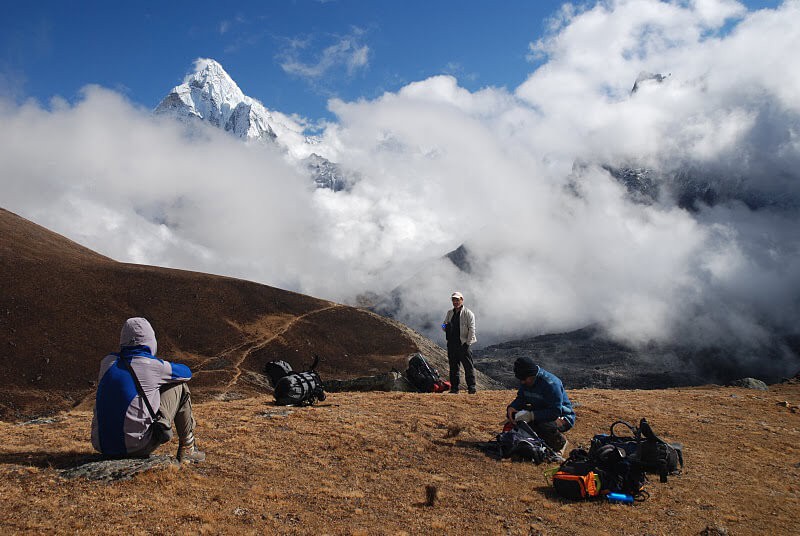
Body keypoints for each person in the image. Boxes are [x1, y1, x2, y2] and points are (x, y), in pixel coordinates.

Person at [91, 317, 205, 463]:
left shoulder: (106, 363)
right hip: (137, 446)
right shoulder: (153, 366)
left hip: (102, 445)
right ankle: (188, 448)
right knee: (179, 386)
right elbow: (186, 373)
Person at [505, 356, 575, 454]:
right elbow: (521, 398)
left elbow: (554, 412)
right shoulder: (526, 381)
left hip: (562, 416)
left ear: (532, 375)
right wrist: (512, 408)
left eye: (524, 379)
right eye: (521, 379)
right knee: (519, 423)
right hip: (539, 410)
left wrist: (532, 416)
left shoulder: (551, 384)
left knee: (543, 425)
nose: (522, 382)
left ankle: (560, 443)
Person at [441, 291, 477, 394]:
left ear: (462, 300)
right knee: (453, 367)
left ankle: (471, 387)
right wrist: (445, 327)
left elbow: (472, 329)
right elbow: (443, 325)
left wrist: (467, 343)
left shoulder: (468, 313)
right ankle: (454, 388)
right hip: (452, 344)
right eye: (454, 300)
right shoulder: (450, 313)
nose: (455, 302)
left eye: (457, 300)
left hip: (463, 344)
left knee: (468, 366)